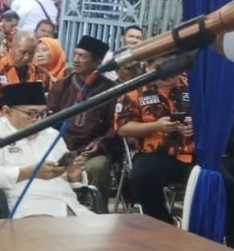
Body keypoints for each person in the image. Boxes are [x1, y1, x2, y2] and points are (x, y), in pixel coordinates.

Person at [0, 82, 95, 218]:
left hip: (70, 206)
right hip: (29, 210)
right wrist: (27, 173)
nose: (38, 120)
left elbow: (74, 183)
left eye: (43, 114)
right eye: (31, 113)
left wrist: (74, 175)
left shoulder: (51, 134)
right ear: (7, 112)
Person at [116, 58, 193, 223]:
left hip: (194, 152)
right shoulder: (134, 89)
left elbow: (212, 118)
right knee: (142, 175)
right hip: (154, 153)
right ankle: (162, 222)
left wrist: (197, 127)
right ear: (148, 66)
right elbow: (122, 127)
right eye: (161, 67)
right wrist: (155, 126)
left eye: (173, 66)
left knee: (228, 178)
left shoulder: (193, 84)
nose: (168, 72)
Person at [46, 36, 116, 194]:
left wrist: (99, 143)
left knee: (97, 167)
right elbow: (49, 120)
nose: (76, 60)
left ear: (97, 62)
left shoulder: (111, 90)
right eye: (75, 54)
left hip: (90, 152)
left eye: (82, 56)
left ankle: (96, 213)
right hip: (60, 147)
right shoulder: (62, 85)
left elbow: (115, 125)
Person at [0, 31, 53, 116]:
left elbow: (47, 101)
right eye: (22, 52)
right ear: (12, 47)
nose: (26, 57)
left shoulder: (41, 73)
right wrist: (6, 123)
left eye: (31, 53)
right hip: (1, 120)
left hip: (32, 120)